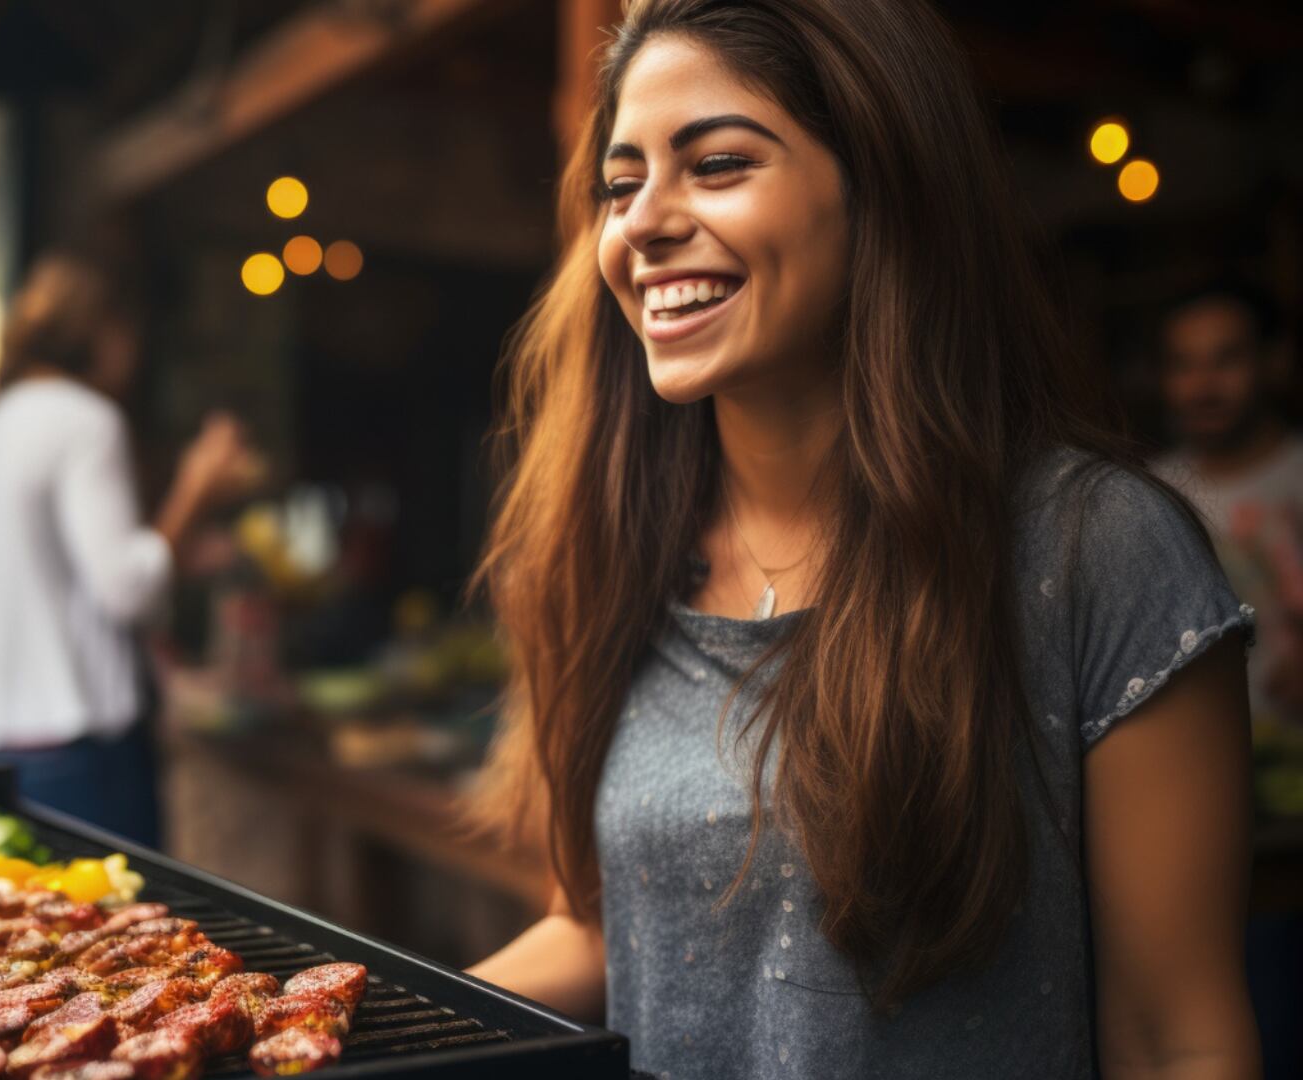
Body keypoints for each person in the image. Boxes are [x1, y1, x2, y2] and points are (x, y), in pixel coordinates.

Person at [462, 2, 1260, 1077]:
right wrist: (346, 1028)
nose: (642, 222)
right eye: (621, 182)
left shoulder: (1095, 551)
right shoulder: (619, 549)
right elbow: (606, 930)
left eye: (718, 163)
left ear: (883, 183)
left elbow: (1177, 1044)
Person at [0, 253, 256, 848]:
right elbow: (126, 591)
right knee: (124, 938)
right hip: (75, 755)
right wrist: (196, 486)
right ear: (101, 331)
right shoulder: (87, 421)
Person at [1150, 280, 1302, 727]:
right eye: (1183, 364)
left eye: (1226, 359)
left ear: (1273, 361)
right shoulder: (1150, 498)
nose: (1203, 385)